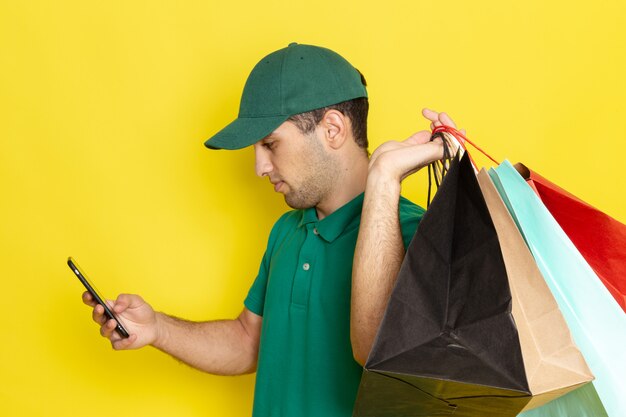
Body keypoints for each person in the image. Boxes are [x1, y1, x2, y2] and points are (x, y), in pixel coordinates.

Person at [83, 42, 462, 417]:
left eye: (270, 144)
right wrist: (156, 328)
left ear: (332, 130)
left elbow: (377, 349)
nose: (259, 168)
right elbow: (250, 340)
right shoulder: (287, 231)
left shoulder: (416, 234)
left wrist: (384, 178)